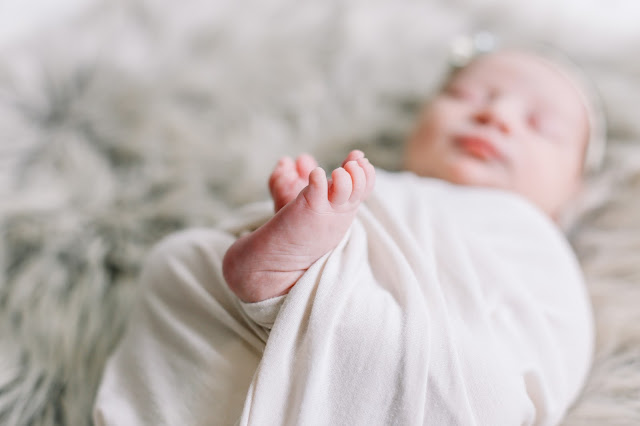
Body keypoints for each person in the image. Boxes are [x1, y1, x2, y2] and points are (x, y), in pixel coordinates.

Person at [94, 43, 602, 425]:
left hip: (424, 373)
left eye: (541, 125)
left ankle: (290, 283)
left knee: (487, 395)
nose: (495, 116)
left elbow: (546, 354)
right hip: (272, 347)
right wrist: (300, 217)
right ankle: (289, 273)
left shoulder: (537, 242)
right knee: (182, 261)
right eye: (465, 96)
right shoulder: (372, 188)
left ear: (573, 190)